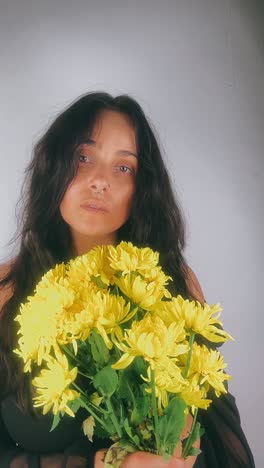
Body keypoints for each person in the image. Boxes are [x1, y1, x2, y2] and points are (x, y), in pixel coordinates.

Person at [0, 92, 255, 467]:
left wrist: (178, 451)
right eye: (83, 158)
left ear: (141, 189)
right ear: (54, 167)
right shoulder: (8, 289)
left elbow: (212, 425)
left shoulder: (171, 285)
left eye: (124, 168)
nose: (100, 181)